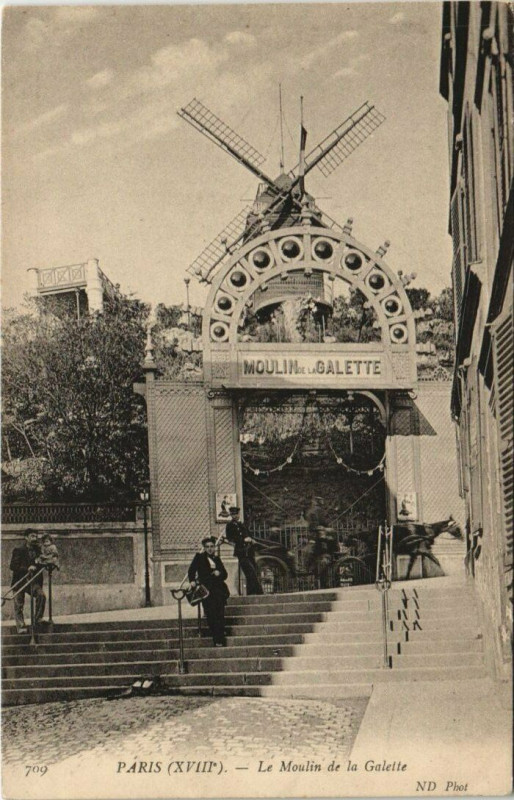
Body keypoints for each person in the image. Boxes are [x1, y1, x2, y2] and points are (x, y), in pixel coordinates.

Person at [188, 537, 229, 647]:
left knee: (220, 614)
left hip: (218, 591)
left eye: (212, 546)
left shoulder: (217, 559)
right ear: (204, 548)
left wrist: (219, 573)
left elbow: (225, 574)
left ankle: (220, 638)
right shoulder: (199, 557)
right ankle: (217, 639)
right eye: (207, 547)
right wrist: (192, 581)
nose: (210, 549)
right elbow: (191, 570)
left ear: (214, 547)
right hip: (206, 591)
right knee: (211, 615)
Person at [9, 529, 46, 633]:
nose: (34, 538)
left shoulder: (38, 550)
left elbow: (42, 562)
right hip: (20, 581)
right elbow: (13, 566)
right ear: (26, 537)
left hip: (32, 581)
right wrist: (27, 568)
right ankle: (20, 627)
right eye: (32, 536)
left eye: (35, 536)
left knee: (41, 595)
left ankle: (37, 620)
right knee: (19, 605)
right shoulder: (18, 550)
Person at [223, 507, 263, 595]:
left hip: (249, 551)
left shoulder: (242, 524)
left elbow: (249, 535)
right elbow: (230, 539)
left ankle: (251, 594)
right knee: (250, 572)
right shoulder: (230, 525)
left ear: (238, 514)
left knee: (253, 572)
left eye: (236, 514)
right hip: (241, 552)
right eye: (233, 514)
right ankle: (259, 593)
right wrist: (243, 540)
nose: (235, 516)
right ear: (231, 515)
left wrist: (251, 539)